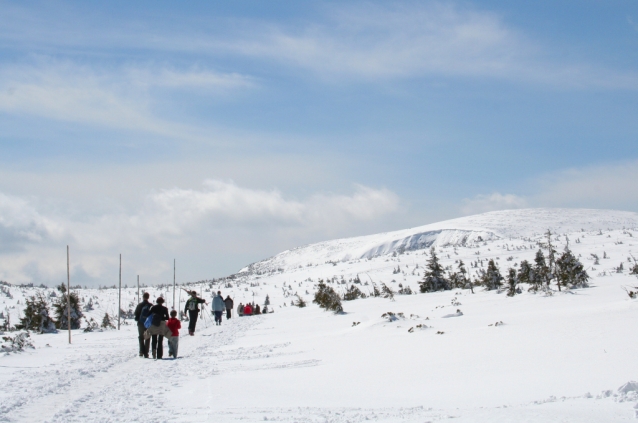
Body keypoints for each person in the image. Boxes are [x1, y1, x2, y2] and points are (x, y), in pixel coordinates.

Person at [133, 292, 152, 358]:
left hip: (140, 323)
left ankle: (141, 351)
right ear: (148, 297)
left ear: (143, 297)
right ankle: (146, 353)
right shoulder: (150, 305)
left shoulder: (139, 305)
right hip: (148, 324)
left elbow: (136, 314)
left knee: (141, 337)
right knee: (147, 337)